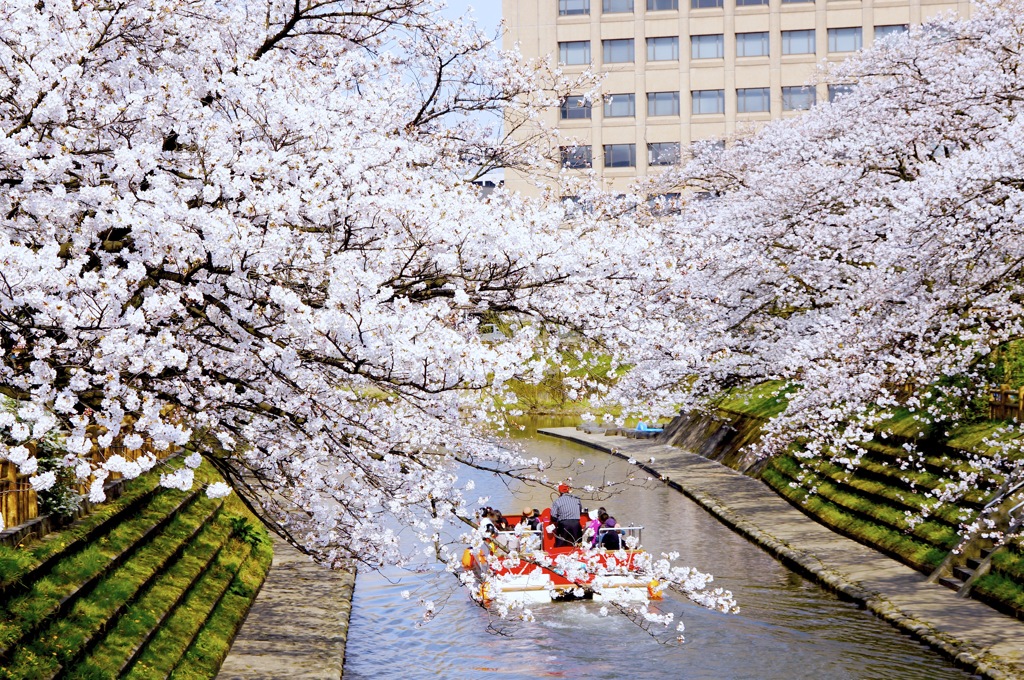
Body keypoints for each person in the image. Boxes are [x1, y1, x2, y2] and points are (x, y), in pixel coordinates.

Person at [551, 483, 583, 547]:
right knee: (578, 544)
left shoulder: (557, 501)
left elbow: (553, 517)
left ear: (559, 491)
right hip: (576, 524)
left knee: (560, 545)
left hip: (563, 525)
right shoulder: (577, 499)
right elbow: (580, 511)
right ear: (568, 490)